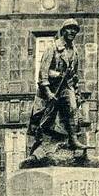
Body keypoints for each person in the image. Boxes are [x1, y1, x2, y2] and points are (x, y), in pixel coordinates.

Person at [28, 18, 87, 153]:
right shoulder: (53, 47)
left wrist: (76, 91)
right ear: (63, 31)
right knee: (45, 119)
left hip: (66, 87)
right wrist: (48, 92)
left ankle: (73, 139)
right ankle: (41, 142)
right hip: (52, 88)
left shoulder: (75, 51)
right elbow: (43, 72)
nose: (72, 31)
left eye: (75, 29)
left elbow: (74, 75)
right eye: (69, 28)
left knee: (72, 108)